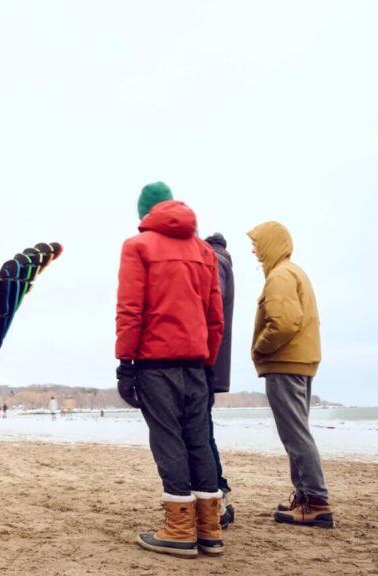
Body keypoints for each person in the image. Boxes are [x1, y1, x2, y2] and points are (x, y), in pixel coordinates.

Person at [116, 182, 225, 558]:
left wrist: (125, 364)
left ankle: (179, 528)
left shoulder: (138, 246)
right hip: (195, 364)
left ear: (145, 213)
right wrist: (209, 364)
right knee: (198, 439)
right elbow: (215, 317)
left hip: (155, 363)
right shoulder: (204, 251)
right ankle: (209, 527)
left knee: (168, 438)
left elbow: (131, 309)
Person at [248, 221, 332, 529]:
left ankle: (317, 502)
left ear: (272, 243)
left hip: (285, 363)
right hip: (299, 362)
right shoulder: (292, 271)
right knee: (297, 432)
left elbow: (284, 322)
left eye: (257, 243)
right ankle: (306, 497)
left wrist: (260, 347)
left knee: (295, 435)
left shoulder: (280, 275)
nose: (254, 250)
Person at [204, 233, 236, 528]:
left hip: (204, 362)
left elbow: (210, 310)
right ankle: (217, 495)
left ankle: (218, 496)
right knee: (204, 431)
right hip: (211, 362)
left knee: (202, 433)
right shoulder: (223, 260)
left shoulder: (215, 261)